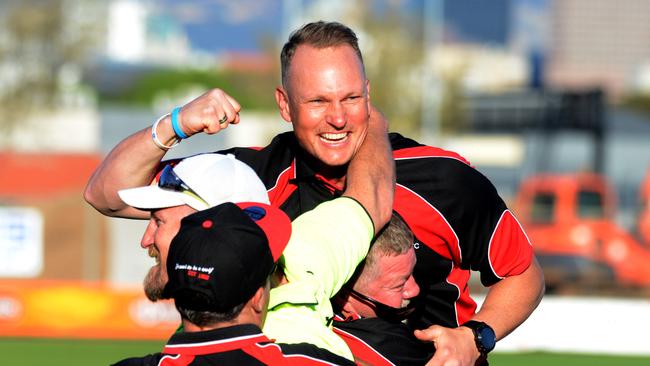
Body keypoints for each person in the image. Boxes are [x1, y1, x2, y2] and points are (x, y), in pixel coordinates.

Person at [85, 21, 544, 366]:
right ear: (284, 104)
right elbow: (108, 193)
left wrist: (477, 336)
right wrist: (177, 123)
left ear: (369, 93)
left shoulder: (444, 178)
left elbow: (524, 274)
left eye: (350, 98)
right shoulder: (247, 180)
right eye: (318, 102)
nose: (338, 118)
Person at [103, 109, 394, 362]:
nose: (146, 239)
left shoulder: (265, 342)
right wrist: (362, 108)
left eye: (159, 222)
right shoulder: (306, 249)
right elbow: (372, 191)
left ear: (210, 228)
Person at [332, 214, 435, 366]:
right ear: (344, 297)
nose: (414, 290)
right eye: (398, 285)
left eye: (412, 272)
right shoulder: (389, 348)